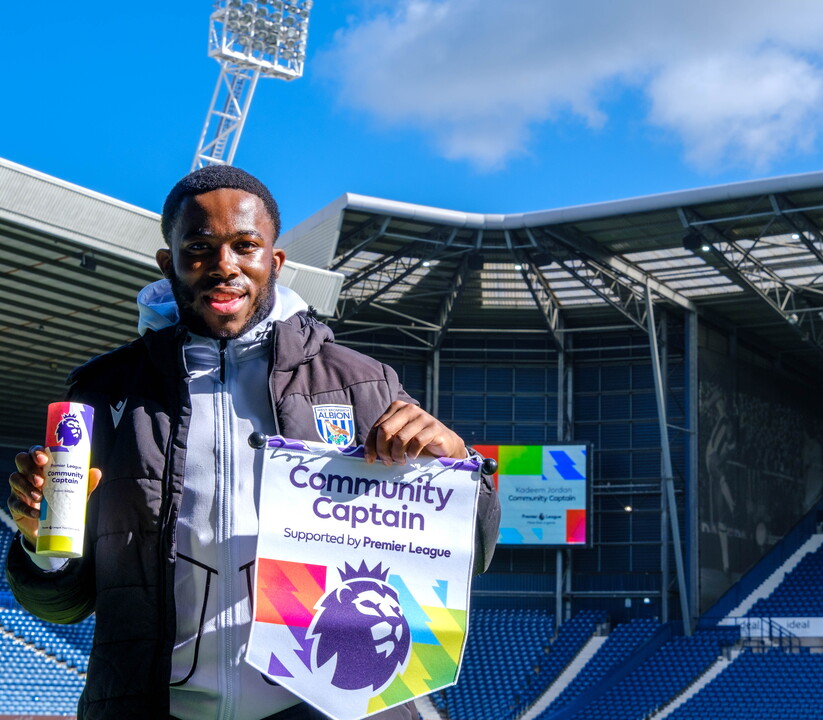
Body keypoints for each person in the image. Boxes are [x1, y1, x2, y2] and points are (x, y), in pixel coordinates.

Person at [6, 166, 500, 720]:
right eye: (199, 247)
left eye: (246, 245)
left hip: (320, 708)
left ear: (275, 261)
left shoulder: (362, 383)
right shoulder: (104, 392)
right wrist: (38, 546)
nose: (225, 267)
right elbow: (61, 604)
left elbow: (473, 554)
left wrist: (458, 466)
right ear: (167, 263)